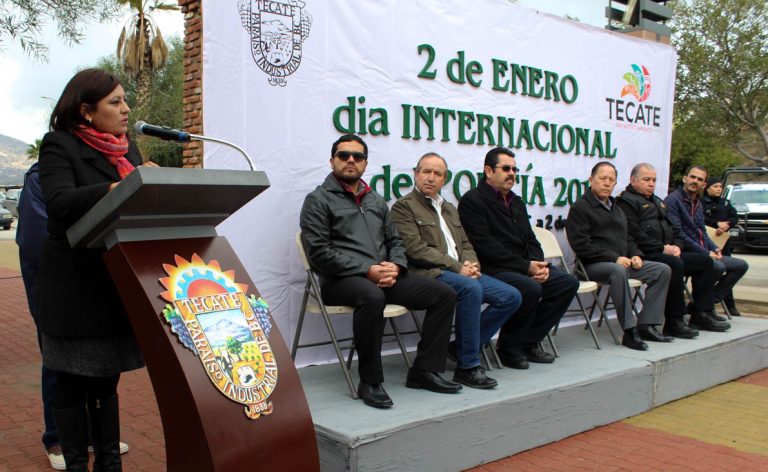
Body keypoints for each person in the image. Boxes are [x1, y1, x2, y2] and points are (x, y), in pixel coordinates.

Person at [38, 68, 157, 471]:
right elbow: (58, 202)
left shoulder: (128, 151)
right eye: (115, 102)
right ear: (87, 111)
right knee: (72, 381)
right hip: (75, 287)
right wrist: (114, 189)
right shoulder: (59, 146)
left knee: (107, 380)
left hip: (114, 282)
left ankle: (109, 463)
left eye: (125, 100)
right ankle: (74, 464)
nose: (126, 109)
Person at [300, 134, 461, 409]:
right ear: (332, 161)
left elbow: (395, 241)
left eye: (358, 156)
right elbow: (319, 253)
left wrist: (395, 266)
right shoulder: (318, 200)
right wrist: (368, 270)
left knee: (444, 294)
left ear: (365, 164)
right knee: (372, 297)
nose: (351, 160)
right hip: (340, 281)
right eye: (344, 155)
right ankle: (370, 381)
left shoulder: (375, 200)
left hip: (384, 275)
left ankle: (424, 371)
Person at [16, 163, 132, 471]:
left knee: (99, 363)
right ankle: (57, 438)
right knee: (61, 364)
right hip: (57, 288)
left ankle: (92, 435)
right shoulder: (42, 177)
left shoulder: (105, 169)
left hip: (95, 286)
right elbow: (40, 240)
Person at [391, 152, 522, 389]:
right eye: (426, 172)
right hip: (429, 273)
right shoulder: (403, 207)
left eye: (437, 174)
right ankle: (468, 366)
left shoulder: (450, 208)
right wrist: (458, 267)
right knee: (471, 289)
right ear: (415, 174)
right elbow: (415, 249)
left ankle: (460, 347)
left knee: (510, 296)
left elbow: (465, 244)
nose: (431, 178)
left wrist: (472, 265)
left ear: (445, 179)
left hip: (461, 272)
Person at [458, 147, 578, 369]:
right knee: (529, 288)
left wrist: (538, 266)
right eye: (505, 168)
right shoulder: (472, 200)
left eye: (514, 169)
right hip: (492, 268)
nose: (511, 173)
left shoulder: (516, 201)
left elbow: (531, 239)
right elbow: (484, 246)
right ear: (488, 171)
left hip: (521, 267)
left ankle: (528, 342)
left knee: (566, 283)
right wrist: (527, 268)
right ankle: (509, 349)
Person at [566, 162, 671, 351]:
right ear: (591, 180)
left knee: (662, 270)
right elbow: (581, 245)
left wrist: (636, 254)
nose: (607, 183)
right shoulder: (580, 207)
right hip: (593, 266)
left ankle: (646, 325)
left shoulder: (616, 207)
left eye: (611, 180)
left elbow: (628, 237)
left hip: (622, 262)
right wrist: (614, 258)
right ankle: (629, 332)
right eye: (602, 178)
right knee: (618, 271)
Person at [617, 163, 726, 335]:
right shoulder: (625, 202)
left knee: (704, 262)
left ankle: (700, 313)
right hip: (645, 253)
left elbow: (674, 229)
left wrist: (677, 246)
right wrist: (663, 248)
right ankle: (674, 320)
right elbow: (634, 235)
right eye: (646, 180)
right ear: (633, 180)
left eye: (653, 180)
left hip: (667, 251)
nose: (651, 184)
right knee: (674, 264)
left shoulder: (657, 201)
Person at [664, 166, 748, 319]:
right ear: (685, 178)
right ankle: (704, 309)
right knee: (716, 265)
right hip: (685, 252)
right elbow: (678, 234)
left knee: (740, 265)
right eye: (692, 177)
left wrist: (714, 248)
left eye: (700, 179)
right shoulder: (673, 200)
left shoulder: (697, 203)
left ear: (704, 184)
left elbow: (701, 230)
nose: (695, 181)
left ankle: (702, 304)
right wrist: (705, 252)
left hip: (703, 251)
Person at [703, 176, 739, 258]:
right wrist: (717, 223)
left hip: (723, 239)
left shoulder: (725, 203)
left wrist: (726, 226)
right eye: (715, 186)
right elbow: (700, 218)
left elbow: (735, 217)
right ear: (707, 188)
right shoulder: (700, 202)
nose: (718, 189)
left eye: (720, 187)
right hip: (706, 238)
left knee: (727, 261)